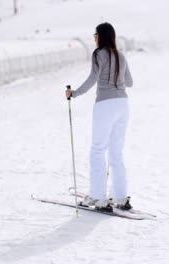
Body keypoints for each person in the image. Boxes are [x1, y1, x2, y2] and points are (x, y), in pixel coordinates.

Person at [65, 22, 133, 212]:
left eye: (95, 34)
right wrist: (116, 78)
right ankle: (120, 198)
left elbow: (92, 79)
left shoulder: (98, 54)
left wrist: (74, 93)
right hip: (123, 105)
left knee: (97, 150)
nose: (94, 38)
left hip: (105, 105)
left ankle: (98, 197)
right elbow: (129, 82)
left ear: (101, 36)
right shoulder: (121, 56)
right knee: (116, 153)